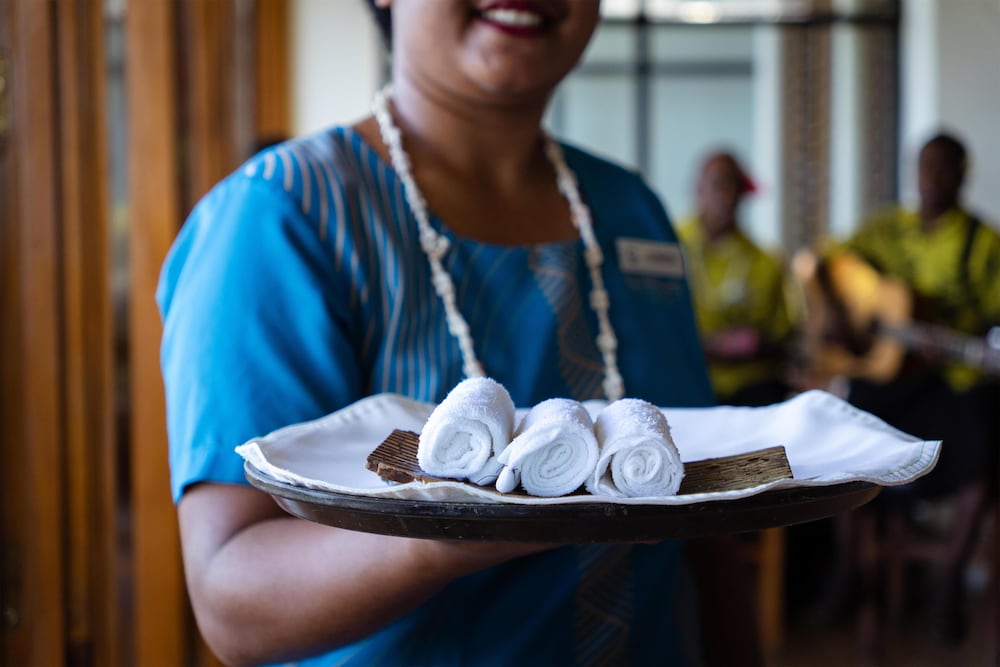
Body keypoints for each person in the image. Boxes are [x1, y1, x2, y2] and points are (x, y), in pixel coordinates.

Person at [157, 1, 760, 665]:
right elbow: (232, 598)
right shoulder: (283, 216)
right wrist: (452, 528)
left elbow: (704, 516)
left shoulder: (630, 209)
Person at [811, 132, 1000, 645]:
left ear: (963, 175)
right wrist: (840, 317)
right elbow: (823, 264)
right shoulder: (884, 230)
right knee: (846, 427)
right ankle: (851, 573)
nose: (932, 178)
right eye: (924, 166)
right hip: (892, 380)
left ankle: (950, 584)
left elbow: (993, 324)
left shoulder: (983, 243)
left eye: (944, 168)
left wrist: (960, 335)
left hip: (953, 381)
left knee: (982, 446)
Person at [677, 151, 794, 406]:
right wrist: (711, 346)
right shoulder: (666, 247)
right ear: (699, 189)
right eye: (719, 184)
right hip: (682, 378)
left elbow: (784, 339)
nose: (727, 197)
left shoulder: (766, 262)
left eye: (735, 187)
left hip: (748, 387)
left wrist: (754, 344)